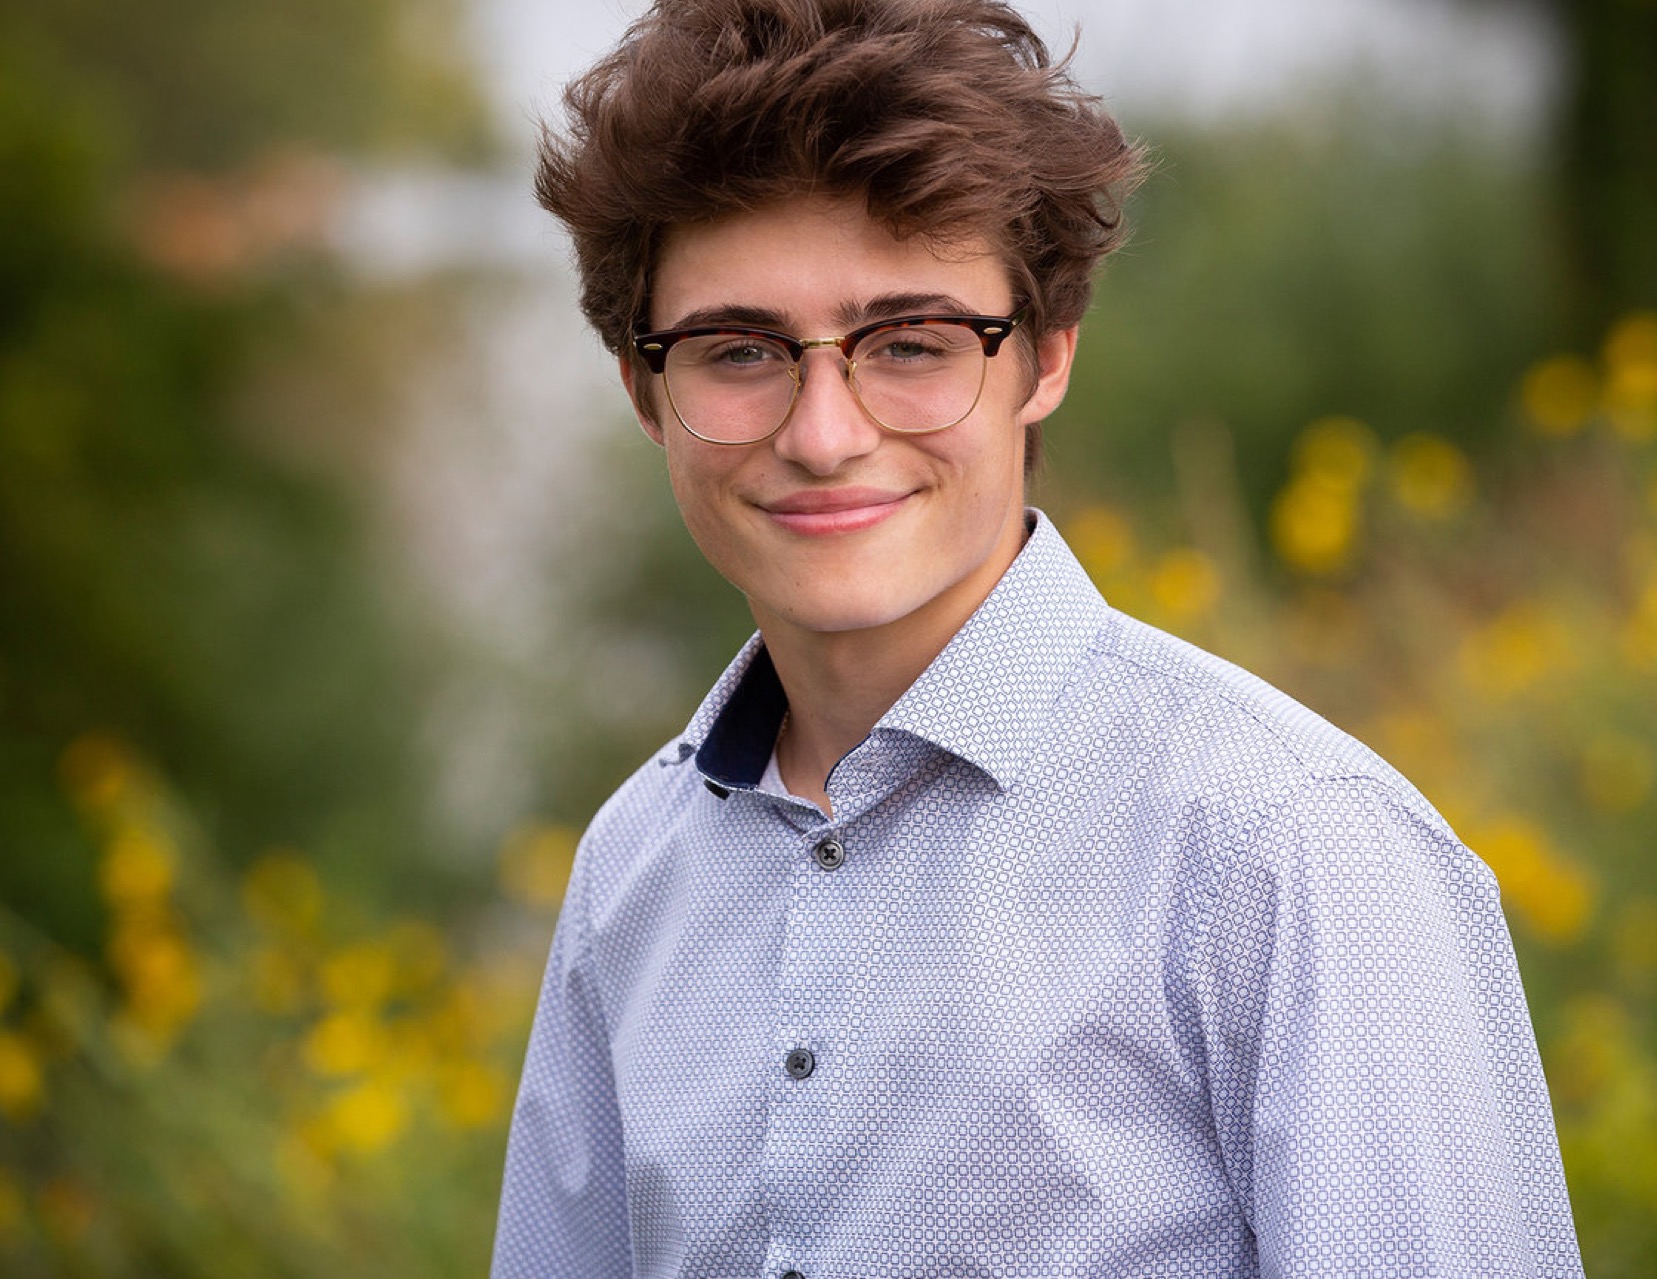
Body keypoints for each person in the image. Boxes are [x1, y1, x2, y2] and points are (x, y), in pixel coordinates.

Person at [493, 1, 1585, 1275]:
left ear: (1048, 356)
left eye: (911, 342)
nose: (824, 433)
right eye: (739, 350)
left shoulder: (1286, 848)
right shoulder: (633, 868)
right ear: (645, 390)